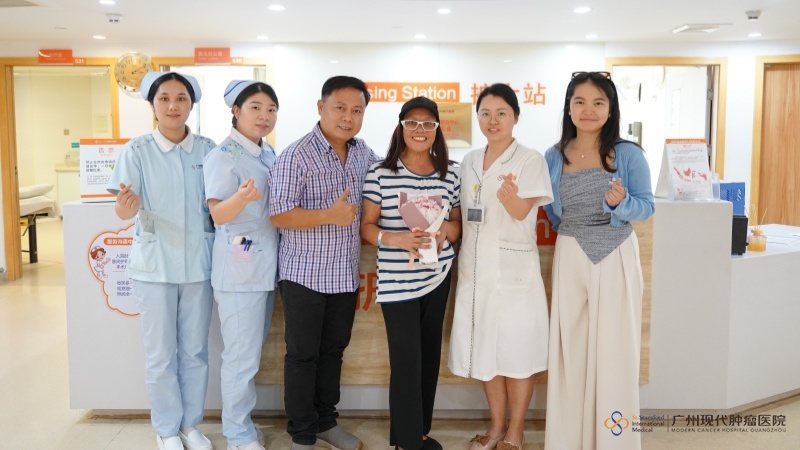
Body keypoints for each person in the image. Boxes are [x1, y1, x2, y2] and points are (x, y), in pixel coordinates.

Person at [542, 71, 655, 450]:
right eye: (580, 102)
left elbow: (646, 208)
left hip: (616, 253)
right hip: (570, 253)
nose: (588, 110)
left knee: (616, 350)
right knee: (569, 350)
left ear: (610, 109)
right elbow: (552, 211)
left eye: (598, 102)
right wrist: (573, 228)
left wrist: (620, 204)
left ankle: (614, 441)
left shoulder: (629, 154)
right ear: (569, 108)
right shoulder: (553, 156)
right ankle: (568, 440)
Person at [269, 75, 379, 450]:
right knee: (303, 356)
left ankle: (326, 422)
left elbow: (389, 179)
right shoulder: (296, 155)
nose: (348, 117)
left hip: (344, 275)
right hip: (304, 275)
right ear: (321, 107)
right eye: (340, 108)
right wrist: (327, 216)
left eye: (357, 110)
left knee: (333, 353)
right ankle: (302, 434)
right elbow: (279, 214)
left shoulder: (363, 153)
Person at [107, 71, 215, 450]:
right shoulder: (137, 150)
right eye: (164, 98)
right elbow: (123, 212)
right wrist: (126, 207)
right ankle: (167, 428)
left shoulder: (208, 149)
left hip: (198, 265)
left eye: (181, 98)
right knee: (160, 353)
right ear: (152, 104)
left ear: (191, 104)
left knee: (195, 351)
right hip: (154, 266)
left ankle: (190, 425)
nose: (173, 106)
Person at [448, 83, 554, 450]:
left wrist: (510, 199)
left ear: (515, 117)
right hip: (475, 271)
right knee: (486, 353)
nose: (493, 121)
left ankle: (516, 431)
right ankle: (495, 428)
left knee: (517, 354)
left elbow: (524, 212)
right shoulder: (469, 160)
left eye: (501, 113)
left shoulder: (530, 159)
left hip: (514, 272)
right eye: (485, 114)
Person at [361, 97, 462, 450]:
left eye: (428, 123)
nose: (420, 130)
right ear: (401, 127)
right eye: (412, 123)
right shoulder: (379, 172)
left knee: (429, 357)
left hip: (437, 276)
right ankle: (406, 442)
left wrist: (444, 232)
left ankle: (419, 432)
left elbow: (457, 223)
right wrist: (396, 238)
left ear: (437, 129)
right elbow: (367, 226)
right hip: (396, 282)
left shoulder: (451, 173)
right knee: (406, 361)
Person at [203, 80, 281, 450]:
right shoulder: (223, 156)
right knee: (240, 357)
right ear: (235, 111)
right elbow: (218, 213)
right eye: (255, 107)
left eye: (271, 109)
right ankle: (237, 435)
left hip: (263, 267)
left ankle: (243, 427)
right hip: (239, 270)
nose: (264, 116)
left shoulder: (267, 152)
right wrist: (241, 197)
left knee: (250, 353)